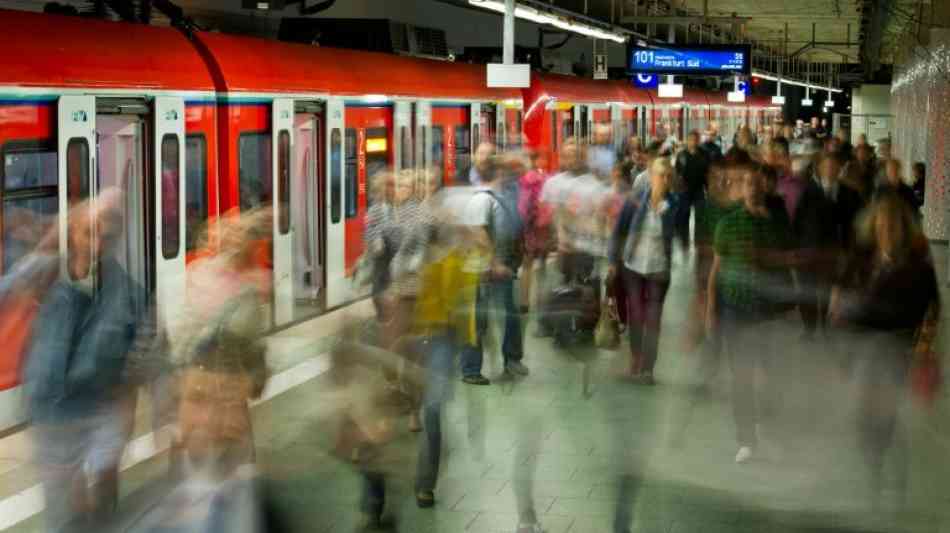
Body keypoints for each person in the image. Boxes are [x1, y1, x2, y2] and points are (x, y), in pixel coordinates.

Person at [24, 193, 147, 532]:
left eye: (105, 237)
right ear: (71, 235)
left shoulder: (132, 295)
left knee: (100, 487)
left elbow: (140, 361)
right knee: (67, 505)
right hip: (54, 418)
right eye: (88, 233)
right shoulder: (46, 280)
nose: (96, 245)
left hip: (102, 409)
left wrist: (126, 411)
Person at [830, 192, 939, 508]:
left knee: (889, 418)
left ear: (902, 228)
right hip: (863, 349)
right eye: (881, 225)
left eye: (892, 225)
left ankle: (893, 481)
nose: (886, 231)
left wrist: (922, 349)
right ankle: (874, 472)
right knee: (865, 418)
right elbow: (841, 292)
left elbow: (932, 310)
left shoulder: (917, 264)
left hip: (896, 350)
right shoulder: (862, 259)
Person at [706, 162, 794, 464]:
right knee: (741, 375)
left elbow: (786, 266)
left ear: (765, 188)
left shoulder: (777, 225)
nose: (753, 188)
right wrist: (710, 310)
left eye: (757, 183)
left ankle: (767, 426)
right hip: (737, 310)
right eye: (747, 183)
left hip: (769, 310)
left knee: (772, 374)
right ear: (741, 189)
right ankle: (746, 438)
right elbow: (716, 272)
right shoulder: (728, 225)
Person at [608, 158, 681, 385]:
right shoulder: (636, 200)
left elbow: (677, 234)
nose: (665, 180)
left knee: (653, 320)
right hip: (634, 266)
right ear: (651, 176)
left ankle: (648, 369)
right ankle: (635, 362)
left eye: (669, 176)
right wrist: (612, 260)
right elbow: (618, 230)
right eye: (661, 175)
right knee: (637, 317)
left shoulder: (675, 203)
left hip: (659, 269)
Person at [464, 156, 528, 381]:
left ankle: (512, 359)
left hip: (502, 266)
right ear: (497, 173)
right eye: (504, 171)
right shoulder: (482, 199)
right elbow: (478, 232)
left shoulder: (502, 197)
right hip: (483, 270)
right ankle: (471, 369)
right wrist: (495, 263)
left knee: (509, 315)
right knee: (479, 320)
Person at [518, 151, 552, 315]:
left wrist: (523, 226)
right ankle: (541, 302)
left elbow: (523, 206)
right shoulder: (547, 178)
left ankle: (525, 302)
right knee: (542, 266)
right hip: (544, 228)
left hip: (530, 228)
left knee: (527, 265)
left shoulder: (526, 179)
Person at [674, 130, 710, 247]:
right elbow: (677, 172)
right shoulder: (681, 155)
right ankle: (684, 240)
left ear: (698, 141)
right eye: (691, 140)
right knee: (684, 214)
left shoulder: (704, 154)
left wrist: (708, 188)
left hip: (699, 189)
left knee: (700, 215)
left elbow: (708, 173)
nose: (693, 142)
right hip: (685, 190)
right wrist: (678, 187)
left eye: (695, 140)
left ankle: (698, 240)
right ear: (687, 141)